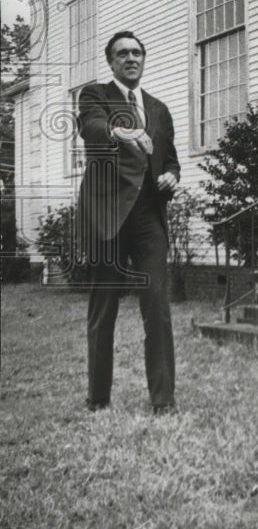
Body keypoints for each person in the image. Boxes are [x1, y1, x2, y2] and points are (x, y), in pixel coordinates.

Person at [77, 31, 180, 414]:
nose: (131, 58)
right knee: (104, 309)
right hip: (107, 216)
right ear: (111, 62)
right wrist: (119, 130)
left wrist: (172, 175)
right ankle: (98, 398)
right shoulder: (95, 96)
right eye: (123, 53)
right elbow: (92, 128)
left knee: (157, 306)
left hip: (148, 218)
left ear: (143, 59)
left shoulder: (158, 108)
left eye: (137, 52)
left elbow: (169, 158)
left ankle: (164, 401)